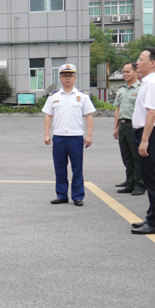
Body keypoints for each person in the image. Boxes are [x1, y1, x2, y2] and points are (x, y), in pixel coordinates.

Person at [130, 48, 155, 235]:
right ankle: (152, 216)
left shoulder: (153, 83)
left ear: (152, 63)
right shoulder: (148, 82)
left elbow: (152, 112)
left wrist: (145, 140)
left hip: (152, 134)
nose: (137, 62)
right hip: (148, 133)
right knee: (151, 178)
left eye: (141, 59)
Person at [41, 64, 95, 206]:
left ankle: (77, 196)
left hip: (75, 137)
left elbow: (89, 116)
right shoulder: (54, 97)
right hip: (59, 137)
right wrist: (47, 134)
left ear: (75, 78)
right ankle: (61, 194)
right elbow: (48, 116)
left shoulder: (82, 96)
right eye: (64, 76)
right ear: (60, 78)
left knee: (77, 167)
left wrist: (89, 135)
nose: (67, 78)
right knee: (59, 167)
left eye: (70, 76)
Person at [112, 63, 144, 196]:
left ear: (136, 72)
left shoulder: (141, 89)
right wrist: (116, 127)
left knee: (137, 156)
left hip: (135, 126)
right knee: (127, 156)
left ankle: (140, 184)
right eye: (124, 72)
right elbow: (117, 108)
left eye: (128, 72)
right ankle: (130, 182)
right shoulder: (121, 90)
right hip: (123, 125)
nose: (125, 74)